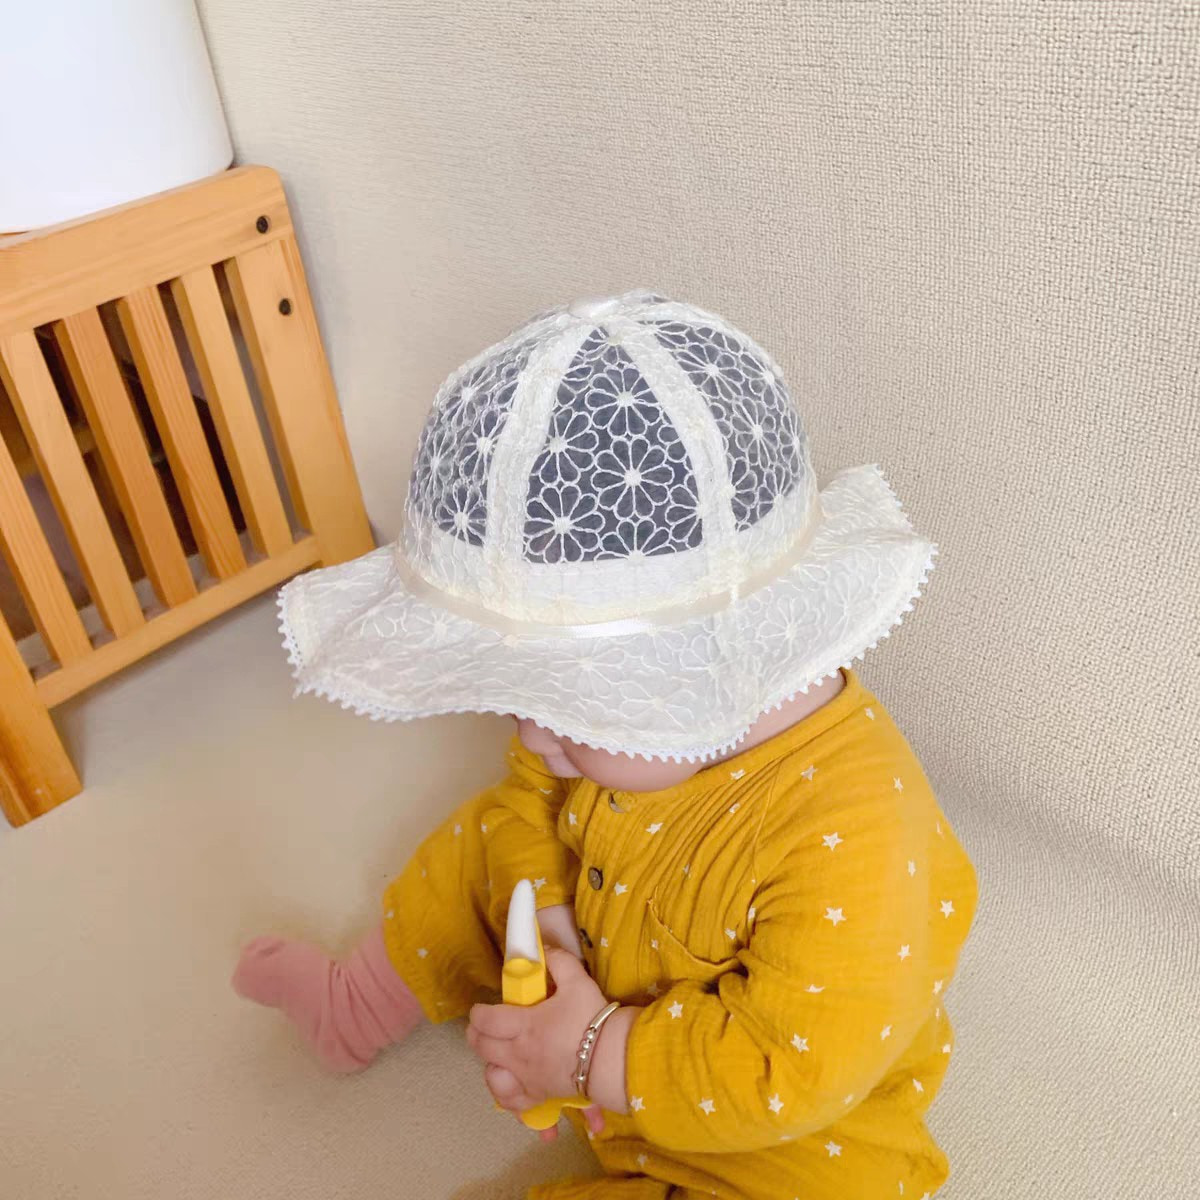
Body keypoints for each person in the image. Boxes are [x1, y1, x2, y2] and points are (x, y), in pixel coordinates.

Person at [234, 293, 977, 1199]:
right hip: (599, 954)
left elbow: (787, 1070)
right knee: (482, 843)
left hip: (771, 1150)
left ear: (700, 670)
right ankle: (354, 1006)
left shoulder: (860, 840)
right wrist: (546, 937)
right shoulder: (606, 742)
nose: (529, 732)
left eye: (568, 703)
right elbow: (524, 802)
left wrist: (589, 1053)